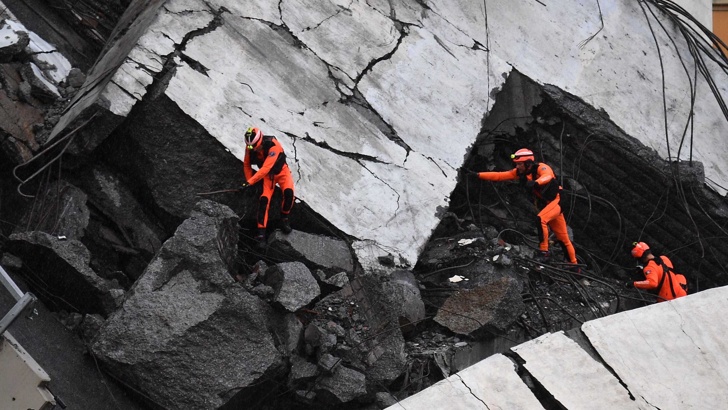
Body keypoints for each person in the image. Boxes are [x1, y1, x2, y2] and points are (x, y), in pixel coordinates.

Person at [471, 148, 580, 271]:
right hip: (549, 205)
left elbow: (548, 176)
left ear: (528, 163)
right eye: (516, 164)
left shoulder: (541, 168)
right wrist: (477, 175)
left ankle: (544, 252)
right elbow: (500, 176)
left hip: (558, 201)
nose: (517, 166)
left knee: (541, 219)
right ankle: (575, 266)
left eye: (519, 164)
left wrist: (536, 183)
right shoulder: (519, 173)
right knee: (563, 238)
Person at [242, 126, 295, 245]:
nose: (253, 149)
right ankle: (261, 234)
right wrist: (249, 181)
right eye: (250, 147)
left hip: (282, 172)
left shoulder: (273, 146)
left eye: (255, 146)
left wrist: (250, 182)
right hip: (268, 177)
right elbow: (247, 165)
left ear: (260, 140)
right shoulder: (250, 147)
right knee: (264, 201)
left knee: (288, 193)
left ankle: (284, 218)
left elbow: (266, 168)